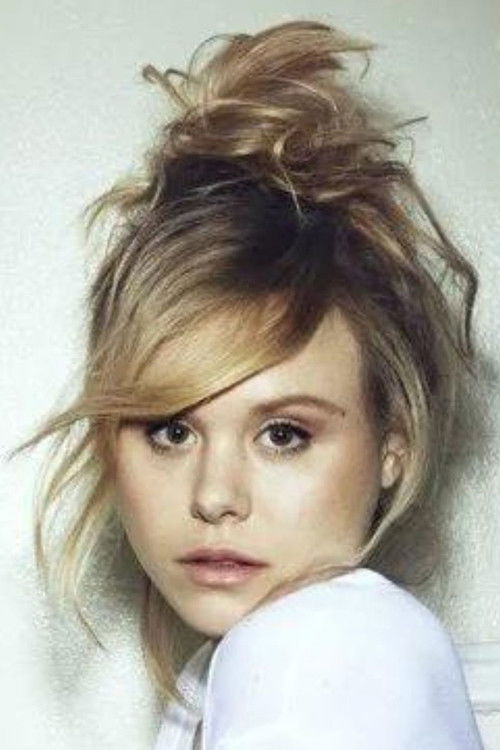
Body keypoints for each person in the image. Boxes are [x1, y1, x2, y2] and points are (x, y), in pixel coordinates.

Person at [12, 18, 485, 750]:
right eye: (171, 429)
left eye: (284, 434)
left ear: (394, 444)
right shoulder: (248, 667)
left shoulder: (330, 644)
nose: (214, 496)